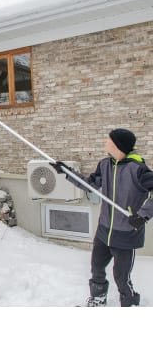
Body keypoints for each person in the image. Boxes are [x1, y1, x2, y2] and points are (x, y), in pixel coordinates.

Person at [51, 128, 153, 307]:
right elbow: (90, 184)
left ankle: (130, 303)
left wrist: (143, 216)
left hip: (126, 233)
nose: (105, 142)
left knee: (121, 277)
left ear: (118, 146)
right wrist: (67, 172)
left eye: (109, 140)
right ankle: (98, 299)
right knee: (97, 269)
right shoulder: (105, 164)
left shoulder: (138, 170)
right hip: (104, 231)